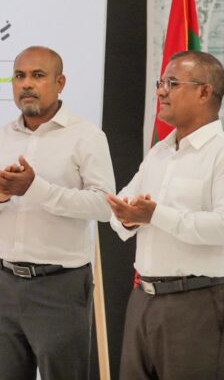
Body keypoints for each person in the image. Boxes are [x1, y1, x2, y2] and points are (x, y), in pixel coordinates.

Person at [0, 46, 115, 380]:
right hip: (4, 284)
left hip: (59, 286)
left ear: (60, 83)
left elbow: (104, 206)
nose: (27, 84)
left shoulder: (86, 136)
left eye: (38, 75)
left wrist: (36, 188)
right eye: (19, 76)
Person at [107, 51, 224, 379]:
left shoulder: (220, 151)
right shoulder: (159, 151)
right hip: (142, 300)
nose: (161, 91)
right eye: (161, 83)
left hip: (196, 303)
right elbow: (120, 210)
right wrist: (128, 216)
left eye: (172, 83)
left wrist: (155, 215)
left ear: (204, 92)